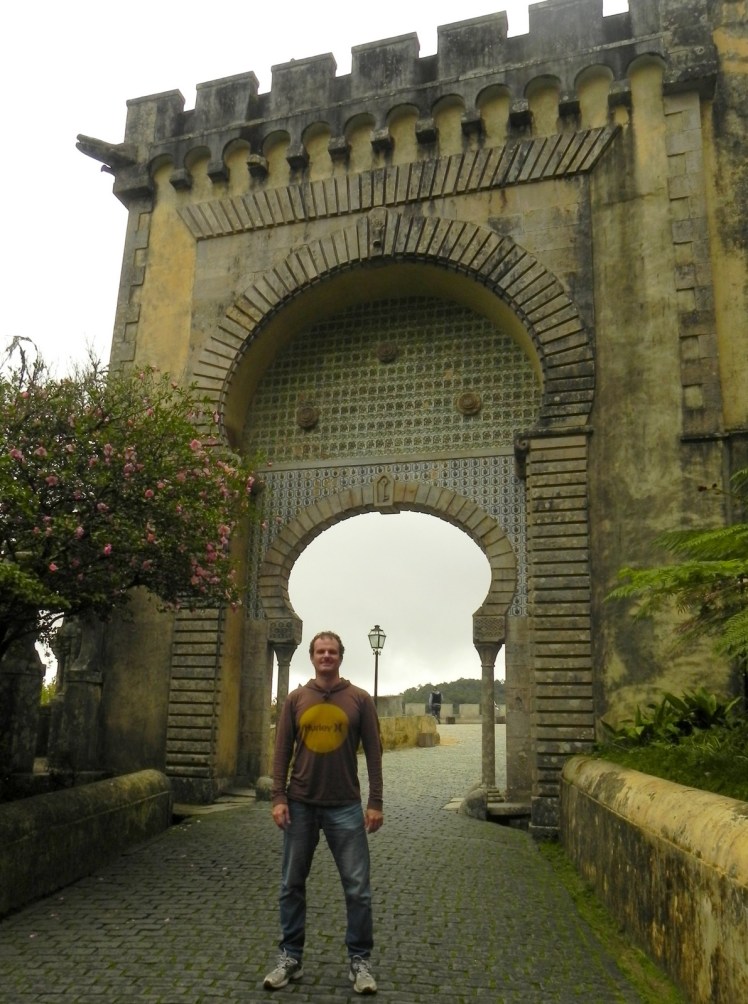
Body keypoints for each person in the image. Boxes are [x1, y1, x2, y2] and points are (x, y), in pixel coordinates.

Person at [264, 630, 383, 995]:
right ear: (312, 657)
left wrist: (375, 802)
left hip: (345, 806)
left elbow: (375, 754)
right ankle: (290, 958)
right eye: (320, 651)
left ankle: (359, 961)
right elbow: (282, 749)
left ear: (340, 657)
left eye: (332, 651)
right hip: (300, 804)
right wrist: (278, 797)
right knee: (291, 885)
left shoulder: (359, 699)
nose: (326, 656)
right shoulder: (296, 699)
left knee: (358, 889)